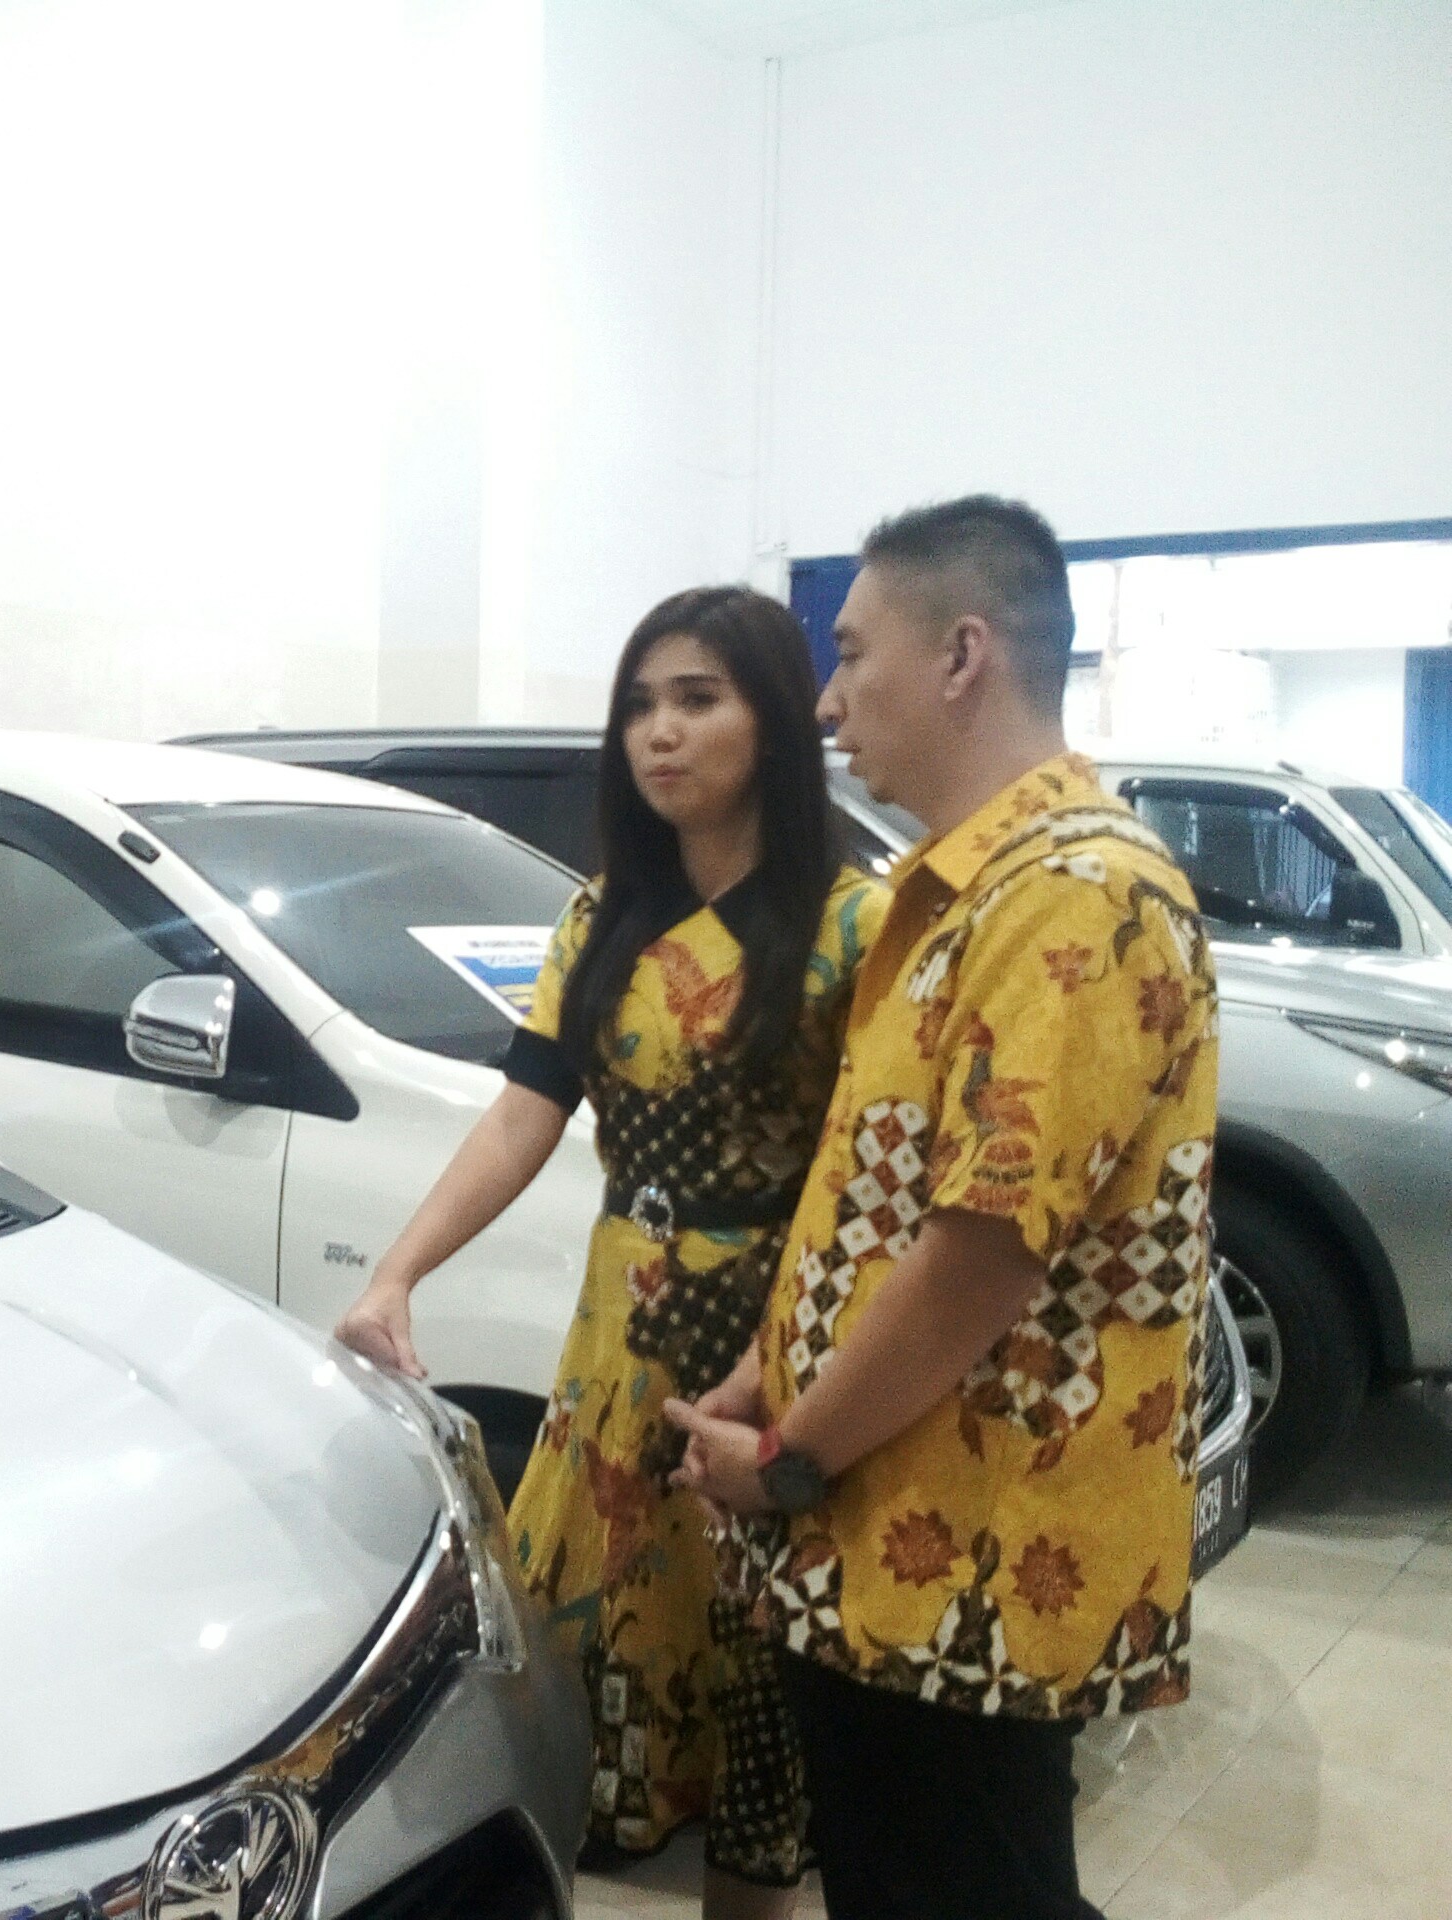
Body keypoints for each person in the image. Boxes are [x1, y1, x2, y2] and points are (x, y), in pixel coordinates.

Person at [666, 498, 1220, 1920]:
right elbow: (883, 1187)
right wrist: (769, 1369)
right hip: (900, 1534)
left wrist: (790, 1458)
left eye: (853, 654)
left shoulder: (1077, 896)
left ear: (964, 655)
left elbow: (981, 1256)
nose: (829, 699)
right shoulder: (969, 891)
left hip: (972, 1559)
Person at [336, 585, 888, 1920]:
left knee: (755, 1703)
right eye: (640, 705)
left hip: (775, 1349)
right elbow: (525, 1113)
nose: (660, 732)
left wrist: (796, 1362)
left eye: (698, 699)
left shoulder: (852, 926)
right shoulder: (603, 916)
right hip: (616, 1348)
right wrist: (398, 1271)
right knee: (581, 1675)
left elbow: (875, 1179)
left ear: (773, 720)